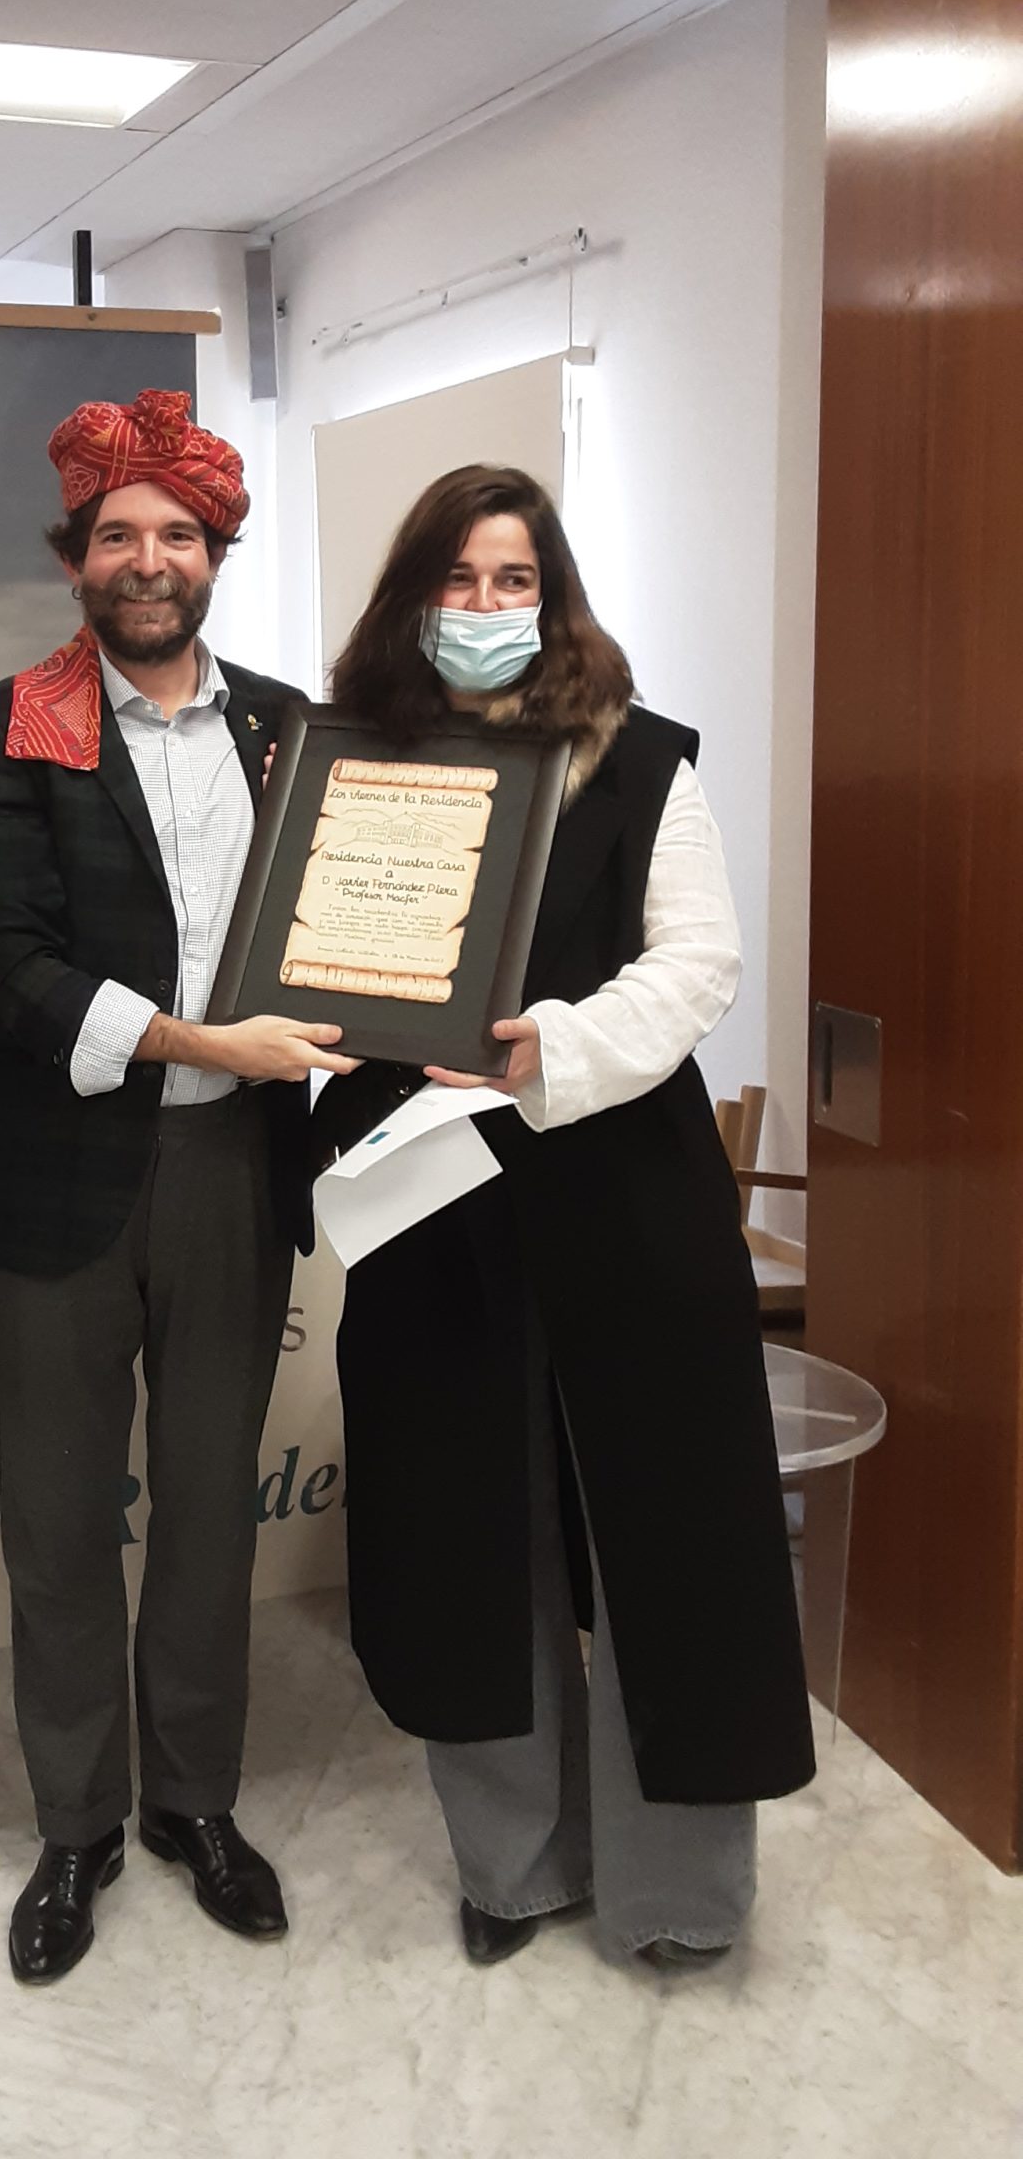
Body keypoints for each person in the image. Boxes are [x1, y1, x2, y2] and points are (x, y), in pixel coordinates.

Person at [312, 463, 813, 1973]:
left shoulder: (646, 762)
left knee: (671, 1536)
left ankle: (679, 1896)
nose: (482, 610)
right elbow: (319, 973)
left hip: (618, 1182)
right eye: (456, 582)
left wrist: (560, 1048)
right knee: (469, 1532)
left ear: (555, 596)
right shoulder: (358, 775)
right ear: (413, 599)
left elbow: (699, 965)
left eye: (512, 581)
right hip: (430, 1201)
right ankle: (512, 1863)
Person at [0, 387, 354, 1984]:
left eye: (179, 532)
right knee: (54, 1520)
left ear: (216, 551)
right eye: (120, 534)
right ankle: (77, 1822)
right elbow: (1, 958)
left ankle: (193, 1802)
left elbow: (339, 936)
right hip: (59, 1186)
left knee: (205, 1514)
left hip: (237, 1172)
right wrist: (201, 1038)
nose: (150, 557)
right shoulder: (10, 722)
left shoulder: (287, 724)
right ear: (77, 560)